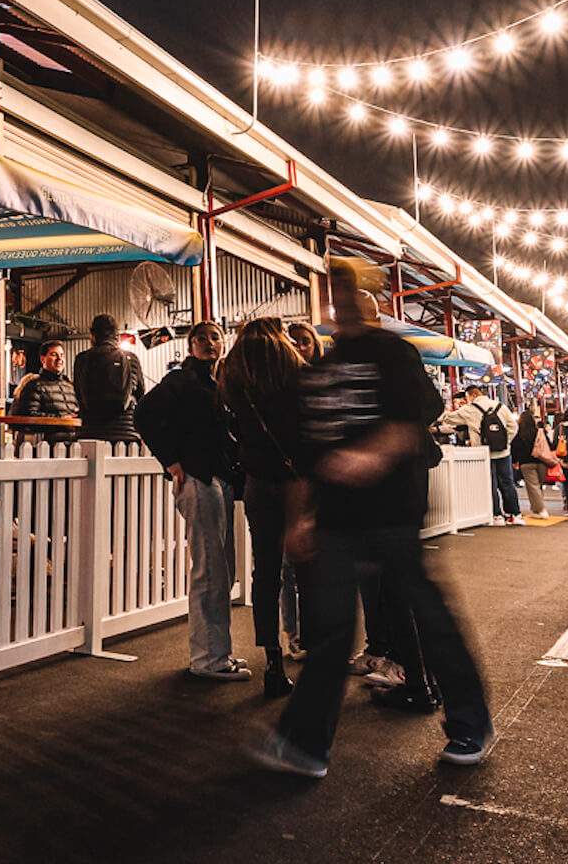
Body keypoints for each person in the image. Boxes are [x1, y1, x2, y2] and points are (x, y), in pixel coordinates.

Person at [255, 258, 492, 777]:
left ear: (369, 299)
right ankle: (306, 743)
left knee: (427, 617)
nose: (338, 298)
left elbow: (415, 417)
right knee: (330, 629)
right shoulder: (314, 373)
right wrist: (299, 519)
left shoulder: (392, 353)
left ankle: (470, 722)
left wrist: (373, 455)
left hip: (392, 511)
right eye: (331, 289)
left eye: (347, 289)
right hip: (336, 519)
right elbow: (301, 457)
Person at [135, 320, 248, 681]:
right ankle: (208, 660)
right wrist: (170, 461)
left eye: (215, 337)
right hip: (198, 480)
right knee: (210, 570)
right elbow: (143, 414)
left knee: (220, 568)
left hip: (218, 479)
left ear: (223, 342)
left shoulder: (220, 383)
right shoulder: (180, 381)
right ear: (191, 345)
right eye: (201, 338)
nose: (209, 343)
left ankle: (218, 653)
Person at [218, 317, 306, 696]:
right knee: (307, 569)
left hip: (257, 483)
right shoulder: (291, 369)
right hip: (296, 482)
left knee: (265, 572)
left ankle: (272, 661)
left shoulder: (233, 374)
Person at [437, 383, 522, 525]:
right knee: (507, 482)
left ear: (473, 395)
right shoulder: (500, 406)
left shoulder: (469, 409)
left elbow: (448, 418)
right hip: (503, 452)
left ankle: (496, 516)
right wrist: (505, 442)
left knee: (489, 484)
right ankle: (514, 514)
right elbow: (513, 426)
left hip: (483, 454)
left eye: (467, 397)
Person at [73, 313, 146, 443]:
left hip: (90, 434)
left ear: (92, 335)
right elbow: (141, 395)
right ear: (116, 335)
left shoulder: (82, 359)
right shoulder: (131, 359)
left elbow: (79, 395)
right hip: (125, 433)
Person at [10, 340, 81, 444]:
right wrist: (61, 420)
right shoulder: (34, 385)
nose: (60, 358)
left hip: (73, 445)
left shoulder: (70, 386)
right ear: (43, 359)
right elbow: (28, 416)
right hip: (46, 446)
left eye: (62, 355)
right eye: (54, 354)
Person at [512, 402, 553, 517]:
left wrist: (515, 461)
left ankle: (541, 510)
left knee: (533, 487)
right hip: (542, 461)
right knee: (538, 486)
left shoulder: (519, 434)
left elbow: (515, 448)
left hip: (526, 463)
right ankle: (536, 509)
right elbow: (549, 445)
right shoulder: (540, 432)